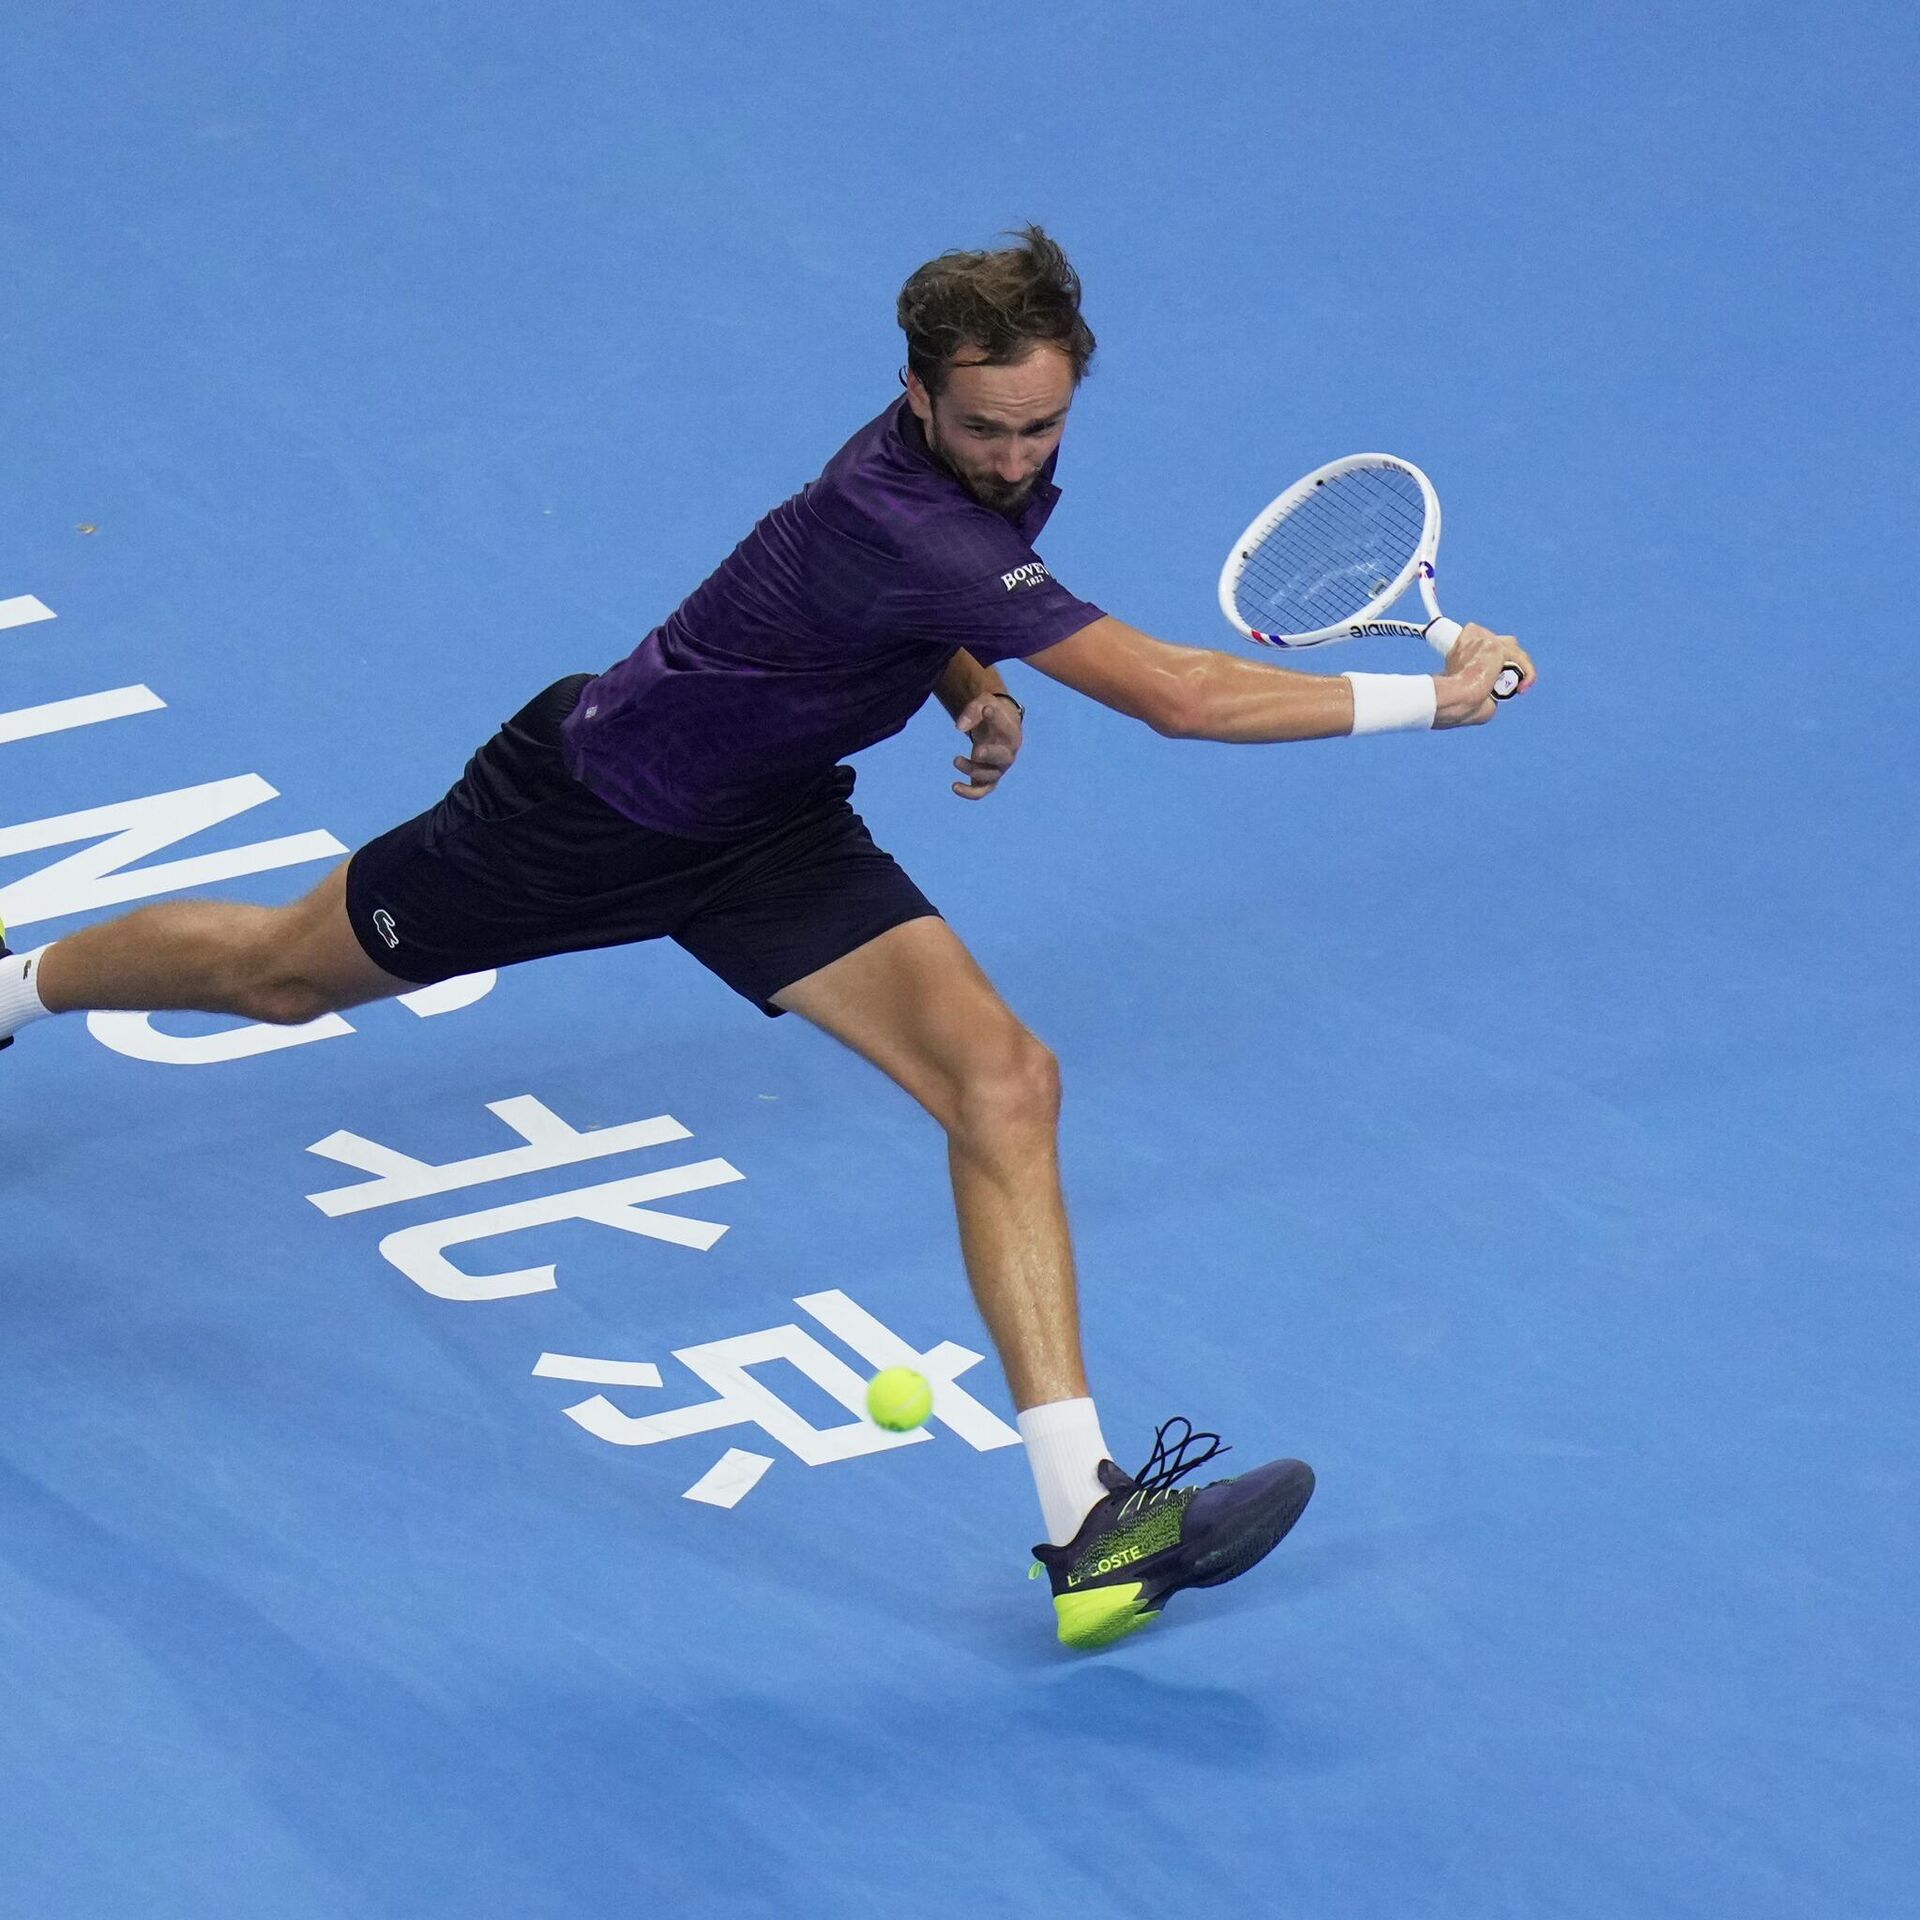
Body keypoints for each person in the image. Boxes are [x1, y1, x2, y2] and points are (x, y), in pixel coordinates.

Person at [0, 226, 1533, 1649]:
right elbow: (1177, 697)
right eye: (985, 429)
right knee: (277, 975)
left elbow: (918, 607)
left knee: (1005, 1082)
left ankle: (1091, 1526)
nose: (1015, 456)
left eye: (1042, 427)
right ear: (917, 397)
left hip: (769, 830)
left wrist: (966, 682)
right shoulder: (905, 509)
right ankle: (16, 982)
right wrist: (1437, 697)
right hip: (582, 813)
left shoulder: (965, 488)